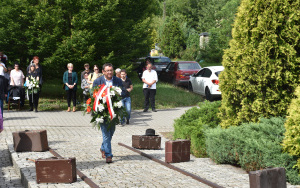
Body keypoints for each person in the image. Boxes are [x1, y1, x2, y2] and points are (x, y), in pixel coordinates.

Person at [93, 63, 124, 163]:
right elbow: (92, 94)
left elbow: (122, 93)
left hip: (114, 111)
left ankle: (103, 147)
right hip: (102, 111)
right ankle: (108, 155)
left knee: (111, 132)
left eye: (111, 70)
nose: (109, 72)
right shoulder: (98, 81)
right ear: (103, 71)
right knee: (105, 133)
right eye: (107, 70)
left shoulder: (118, 80)